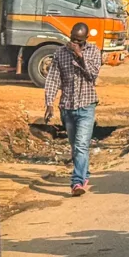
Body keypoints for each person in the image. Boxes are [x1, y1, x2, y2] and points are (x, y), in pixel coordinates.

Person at [43, 23, 101, 196]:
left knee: (82, 145)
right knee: (75, 146)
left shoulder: (94, 52)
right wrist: (49, 103)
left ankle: (77, 182)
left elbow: (92, 75)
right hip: (67, 107)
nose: (74, 43)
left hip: (86, 105)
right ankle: (84, 173)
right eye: (72, 39)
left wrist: (79, 55)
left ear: (86, 40)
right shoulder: (60, 53)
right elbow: (53, 79)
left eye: (79, 41)